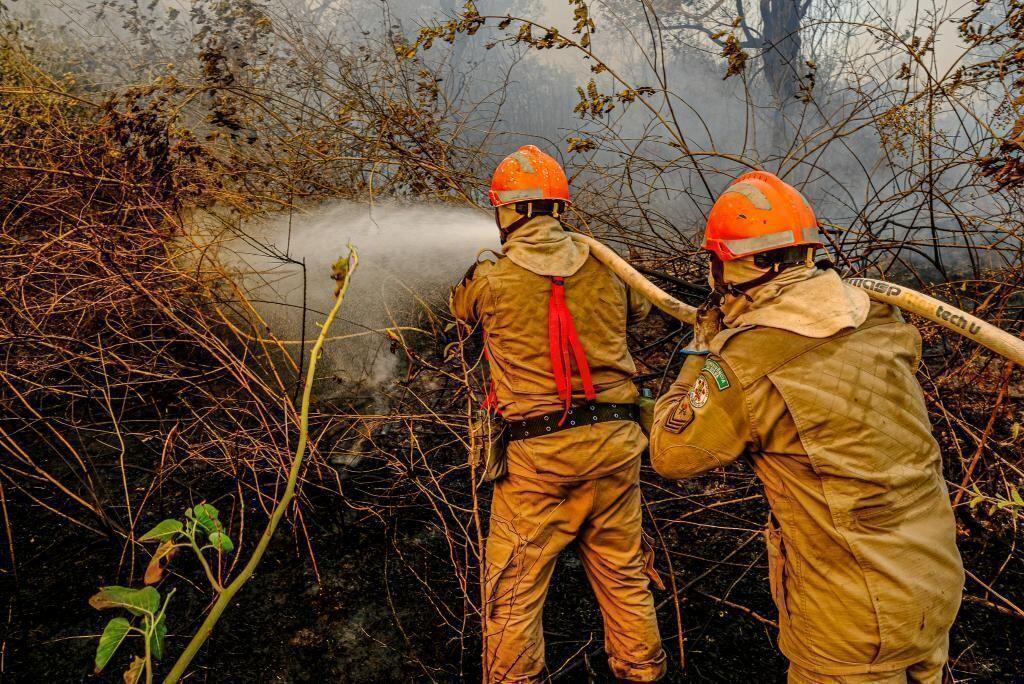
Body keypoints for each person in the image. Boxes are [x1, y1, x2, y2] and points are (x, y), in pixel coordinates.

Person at [649, 171, 964, 683]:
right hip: (931, 587)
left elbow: (672, 454)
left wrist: (703, 349)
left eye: (718, 261)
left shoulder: (748, 359)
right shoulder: (877, 318)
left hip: (851, 622)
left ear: (741, 262)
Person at [450, 145, 666, 683]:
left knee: (513, 589)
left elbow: (460, 310)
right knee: (624, 574)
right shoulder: (604, 262)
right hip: (617, 448)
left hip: (539, 460)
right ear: (558, 208)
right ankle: (643, 672)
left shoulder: (490, 276)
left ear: (511, 211)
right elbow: (642, 309)